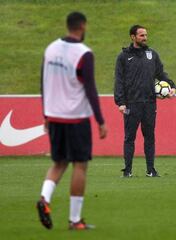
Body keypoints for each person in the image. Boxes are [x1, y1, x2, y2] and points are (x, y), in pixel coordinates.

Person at [36, 12, 107, 230]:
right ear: (83, 26)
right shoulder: (83, 53)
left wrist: (46, 115)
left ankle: (44, 198)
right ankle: (75, 220)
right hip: (76, 118)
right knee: (80, 165)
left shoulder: (51, 49)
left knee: (59, 163)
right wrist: (100, 120)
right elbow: (90, 88)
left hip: (55, 115)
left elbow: (43, 82)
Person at [114, 25, 176, 178]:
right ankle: (127, 171)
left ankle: (151, 170)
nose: (145, 38)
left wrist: (172, 86)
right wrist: (120, 102)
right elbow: (119, 81)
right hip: (131, 104)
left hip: (149, 103)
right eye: (141, 35)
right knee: (129, 138)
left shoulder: (152, 55)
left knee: (150, 137)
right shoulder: (123, 56)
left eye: (146, 35)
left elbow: (161, 74)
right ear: (133, 37)